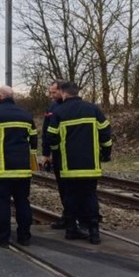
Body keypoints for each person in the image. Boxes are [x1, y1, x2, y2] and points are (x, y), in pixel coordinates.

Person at [47, 81, 112, 245]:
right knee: (90, 196)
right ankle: (94, 232)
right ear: (77, 92)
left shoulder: (59, 111)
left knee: (70, 196)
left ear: (63, 93)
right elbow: (105, 133)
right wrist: (105, 153)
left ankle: (71, 229)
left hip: (68, 165)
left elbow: (51, 138)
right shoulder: (93, 109)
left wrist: (56, 154)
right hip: (91, 164)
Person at [0, 86, 37, 247]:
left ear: (1, 96)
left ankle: (2, 237)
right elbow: (33, 140)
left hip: (2, 168)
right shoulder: (25, 115)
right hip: (23, 169)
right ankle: (25, 236)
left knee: (2, 202)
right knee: (22, 202)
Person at [41, 80, 69, 229]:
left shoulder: (70, 106)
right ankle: (67, 216)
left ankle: (75, 218)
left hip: (70, 152)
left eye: (54, 92)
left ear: (62, 91)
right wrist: (46, 153)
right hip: (57, 153)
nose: (51, 95)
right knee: (62, 187)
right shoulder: (52, 107)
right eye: (50, 92)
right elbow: (46, 131)